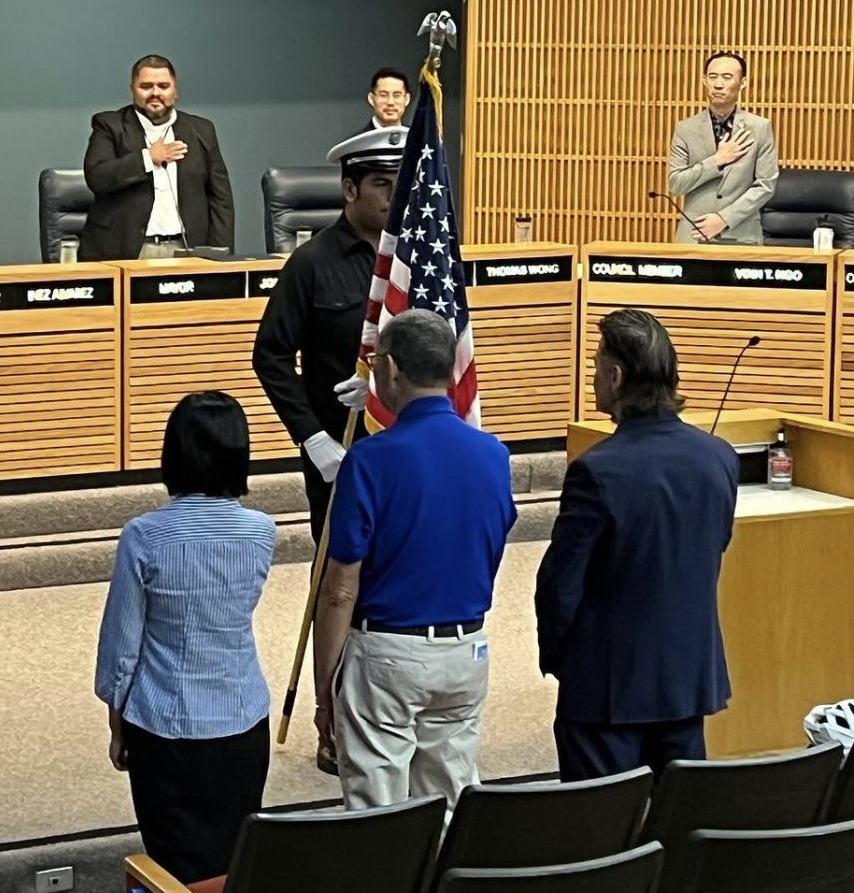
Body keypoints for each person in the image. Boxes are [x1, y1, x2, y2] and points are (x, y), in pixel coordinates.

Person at [312, 309, 516, 817]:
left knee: (379, 820)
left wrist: (326, 689)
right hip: (465, 651)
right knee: (449, 809)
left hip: (387, 654)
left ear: (392, 370)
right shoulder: (494, 455)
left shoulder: (370, 460)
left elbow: (340, 589)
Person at [253, 125, 405, 776]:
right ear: (348, 189)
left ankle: (392, 712)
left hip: (405, 448)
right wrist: (311, 436)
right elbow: (269, 355)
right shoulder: (313, 262)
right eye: (381, 184)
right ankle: (333, 721)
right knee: (339, 586)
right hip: (338, 456)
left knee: (396, 583)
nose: (393, 196)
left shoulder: (414, 261)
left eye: (401, 184)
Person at [535, 309, 738, 783]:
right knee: (679, 829)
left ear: (616, 376)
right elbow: (713, 549)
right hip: (687, 682)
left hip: (606, 691)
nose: (592, 378)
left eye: (595, 366)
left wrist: (564, 660)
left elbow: (560, 585)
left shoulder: (597, 471)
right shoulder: (719, 458)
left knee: (603, 837)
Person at [95, 391, 276, 884]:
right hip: (242, 723)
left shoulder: (145, 535)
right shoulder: (262, 531)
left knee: (171, 873)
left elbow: (122, 646)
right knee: (232, 865)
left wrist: (117, 725)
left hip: (165, 727)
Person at [80, 54, 234, 261]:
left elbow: (220, 198)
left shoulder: (202, 130)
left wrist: (219, 255)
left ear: (175, 90)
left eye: (163, 86)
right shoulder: (110, 125)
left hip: (187, 250)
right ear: (132, 90)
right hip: (127, 252)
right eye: (146, 86)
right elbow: (97, 177)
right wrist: (148, 158)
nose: (155, 93)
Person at [668, 51, 778, 244]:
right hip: (693, 235)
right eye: (712, 77)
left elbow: (765, 185)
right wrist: (716, 161)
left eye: (727, 77)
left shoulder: (760, 127)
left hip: (743, 234)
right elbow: (676, 184)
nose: (718, 84)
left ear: (742, 82)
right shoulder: (685, 128)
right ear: (704, 80)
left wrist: (725, 219)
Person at [360, 67, 412, 133]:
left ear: (407, 99)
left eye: (397, 95)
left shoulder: (418, 139)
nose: (390, 102)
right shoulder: (359, 142)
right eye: (383, 95)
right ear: (371, 99)